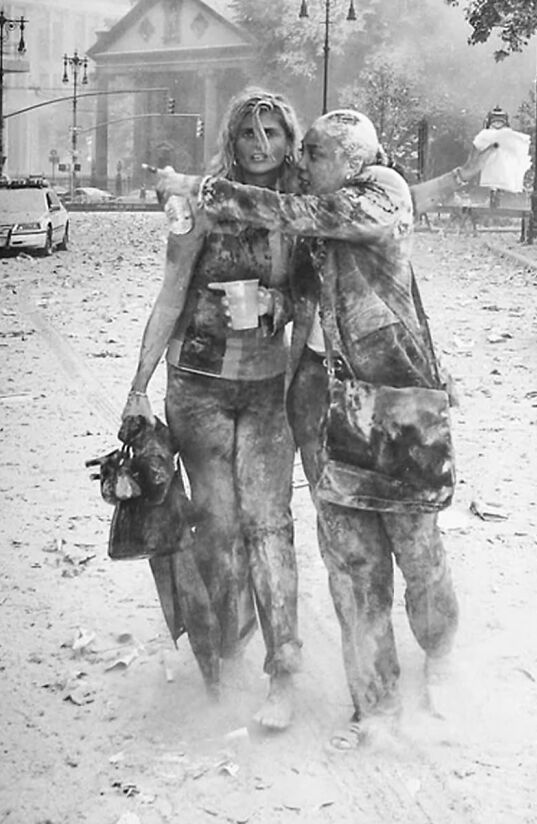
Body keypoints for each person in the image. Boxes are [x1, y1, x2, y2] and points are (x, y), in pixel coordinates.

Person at [155, 109, 493, 749]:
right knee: (352, 563)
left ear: (350, 161)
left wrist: (201, 188)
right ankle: (376, 706)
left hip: (394, 403)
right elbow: (304, 269)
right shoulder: (319, 208)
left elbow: (308, 216)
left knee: (417, 552)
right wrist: (273, 304)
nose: (298, 162)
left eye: (310, 152)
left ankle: (440, 650)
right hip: (322, 400)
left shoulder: (378, 193)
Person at [120, 89, 303, 730]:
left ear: (289, 139)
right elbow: (170, 294)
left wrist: (279, 308)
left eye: (273, 132)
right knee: (218, 523)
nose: (260, 144)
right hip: (196, 386)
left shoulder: (297, 209)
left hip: (265, 389)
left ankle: (285, 671)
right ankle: (219, 652)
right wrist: (139, 385)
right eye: (249, 131)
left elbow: (318, 295)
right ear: (232, 136)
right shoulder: (200, 204)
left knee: (270, 524)